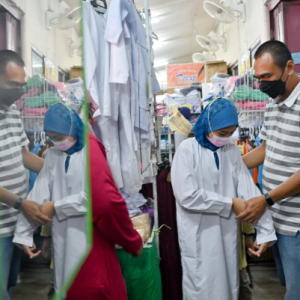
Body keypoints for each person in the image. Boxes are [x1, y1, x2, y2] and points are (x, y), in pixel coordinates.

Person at [171, 98, 276, 300]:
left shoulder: (230, 151)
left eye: (229, 134)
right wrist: (229, 203)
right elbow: (187, 196)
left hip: (227, 235)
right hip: (199, 236)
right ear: (208, 125)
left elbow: (249, 191)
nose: (225, 138)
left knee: (228, 288)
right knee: (202, 289)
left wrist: (265, 232)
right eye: (222, 134)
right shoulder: (187, 150)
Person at [238, 40, 300, 300]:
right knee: (288, 286)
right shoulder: (274, 101)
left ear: (289, 67)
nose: (262, 84)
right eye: (258, 78)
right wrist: (226, 165)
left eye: (267, 76)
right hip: (277, 217)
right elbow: (267, 148)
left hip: (296, 222)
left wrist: (266, 199)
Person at [66, 132, 143, 300]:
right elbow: (106, 203)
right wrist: (132, 240)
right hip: (91, 266)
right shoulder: (85, 141)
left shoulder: (63, 143)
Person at [0, 50, 51, 300]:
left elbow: (22, 155)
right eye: (12, 85)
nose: (18, 91)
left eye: (21, 86)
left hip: (15, 219)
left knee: (9, 285)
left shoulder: (10, 111)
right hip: (3, 221)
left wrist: (59, 171)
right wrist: (21, 204)